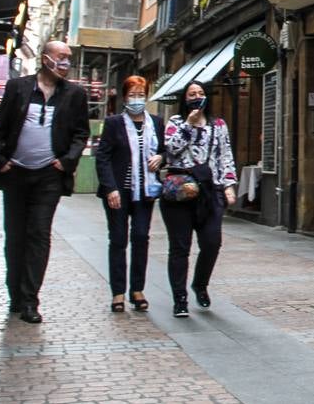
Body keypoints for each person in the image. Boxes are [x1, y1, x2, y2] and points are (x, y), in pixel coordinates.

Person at [0, 40, 91, 323]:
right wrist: (0, 160)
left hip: (49, 176)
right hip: (16, 173)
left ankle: (31, 300)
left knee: (39, 234)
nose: (66, 62)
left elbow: (81, 134)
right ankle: (15, 297)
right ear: (46, 59)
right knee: (15, 235)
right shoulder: (17, 87)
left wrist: (66, 161)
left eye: (69, 57)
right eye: (61, 56)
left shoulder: (75, 94)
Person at [162, 81, 237, 318]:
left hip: (209, 191)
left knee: (212, 243)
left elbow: (226, 155)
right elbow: (171, 150)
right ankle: (179, 299)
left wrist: (229, 185)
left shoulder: (218, 124)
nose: (197, 97)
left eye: (201, 93)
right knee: (180, 248)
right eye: (192, 94)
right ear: (184, 99)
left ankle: (200, 283)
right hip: (180, 191)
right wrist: (189, 125)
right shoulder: (175, 123)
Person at [95, 76, 165, 313]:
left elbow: (164, 149)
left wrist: (161, 157)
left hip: (145, 191)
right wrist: (110, 188)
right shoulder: (114, 123)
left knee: (141, 238)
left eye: (141, 94)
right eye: (132, 95)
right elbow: (102, 157)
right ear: (125, 97)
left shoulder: (156, 123)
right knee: (118, 240)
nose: (137, 99)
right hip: (119, 192)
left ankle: (137, 289)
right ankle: (117, 293)